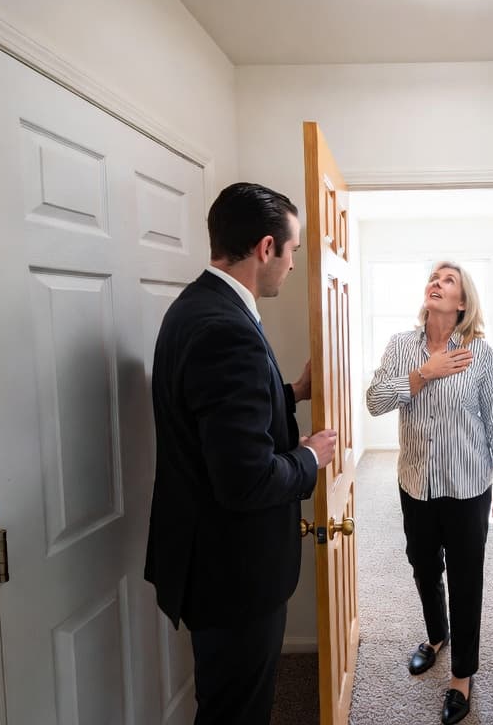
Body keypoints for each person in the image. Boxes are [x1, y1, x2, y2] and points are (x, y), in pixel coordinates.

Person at [144, 182, 337, 725]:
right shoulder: (228, 330)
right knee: (237, 712)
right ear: (266, 247)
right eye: (293, 251)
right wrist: (310, 460)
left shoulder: (197, 306)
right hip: (233, 575)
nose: (294, 265)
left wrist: (287, 394)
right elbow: (246, 481)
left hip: (208, 561)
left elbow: (213, 413)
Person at [366, 261, 493, 725]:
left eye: (448, 280)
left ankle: (462, 675)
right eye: (434, 277)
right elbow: (375, 401)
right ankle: (436, 635)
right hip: (416, 482)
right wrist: (423, 374)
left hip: (468, 485)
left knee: (467, 577)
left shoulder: (479, 353)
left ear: (462, 302)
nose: (437, 282)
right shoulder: (401, 346)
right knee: (423, 564)